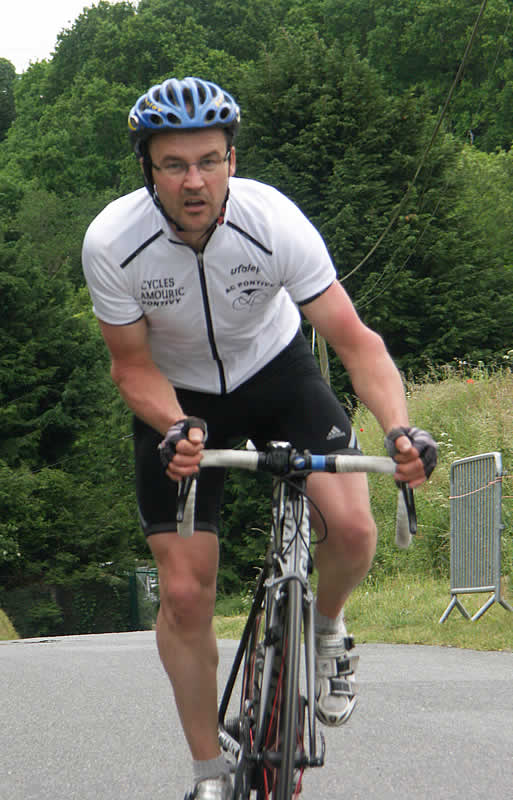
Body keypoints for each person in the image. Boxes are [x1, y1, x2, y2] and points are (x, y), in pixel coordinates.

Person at [82, 76, 437, 800]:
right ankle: (209, 772)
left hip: (276, 374)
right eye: (174, 164)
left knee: (352, 528)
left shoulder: (272, 221)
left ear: (232, 160)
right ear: (147, 168)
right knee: (186, 593)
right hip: (179, 400)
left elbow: (356, 343)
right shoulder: (113, 242)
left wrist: (399, 428)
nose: (194, 181)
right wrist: (174, 424)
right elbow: (131, 366)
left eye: (208, 161)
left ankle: (327, 629)